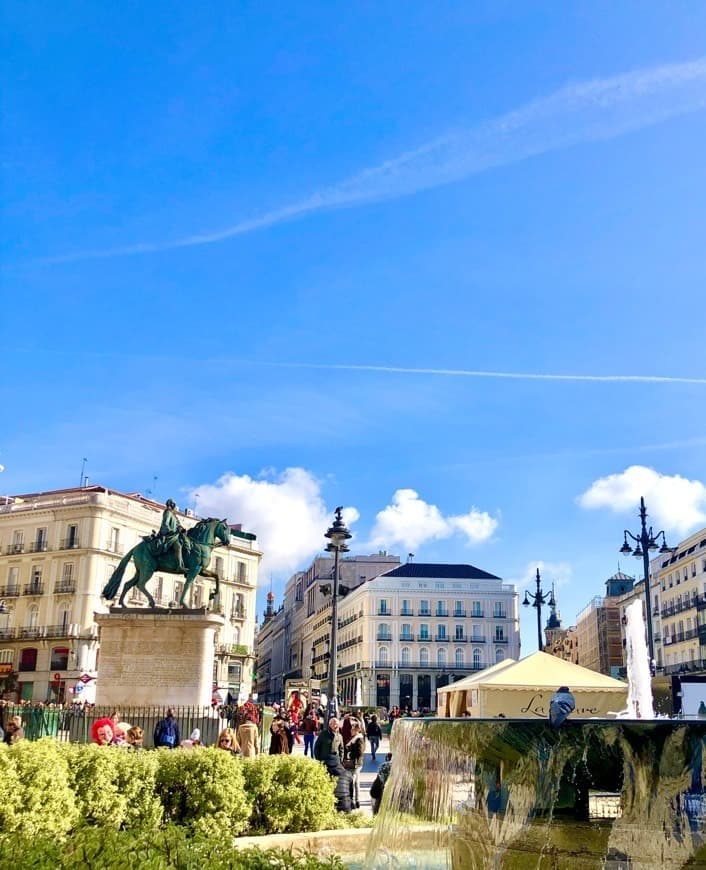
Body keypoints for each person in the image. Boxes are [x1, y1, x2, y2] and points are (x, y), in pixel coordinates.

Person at [160, 498, 187, 573]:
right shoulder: (168, 512)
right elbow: (165, 523)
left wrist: (182, 529)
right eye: (173, 505)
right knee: (178, 546)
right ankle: (179, 566)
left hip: (174, 534)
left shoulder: (174, 515)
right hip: (168, 534)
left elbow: (178, 524)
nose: (174, 506)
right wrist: (171, 531)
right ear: (171, 505)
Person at [344, 720, 366, 809]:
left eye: (353, 729)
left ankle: (353, 801)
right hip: (354, 764)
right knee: (356, 782)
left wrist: (350, 753)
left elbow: (360, 752)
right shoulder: (354, 738)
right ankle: (357, 801)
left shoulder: (359, 739)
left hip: (355, 763)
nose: (351, 731)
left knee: (352, 782)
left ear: (357, 730)